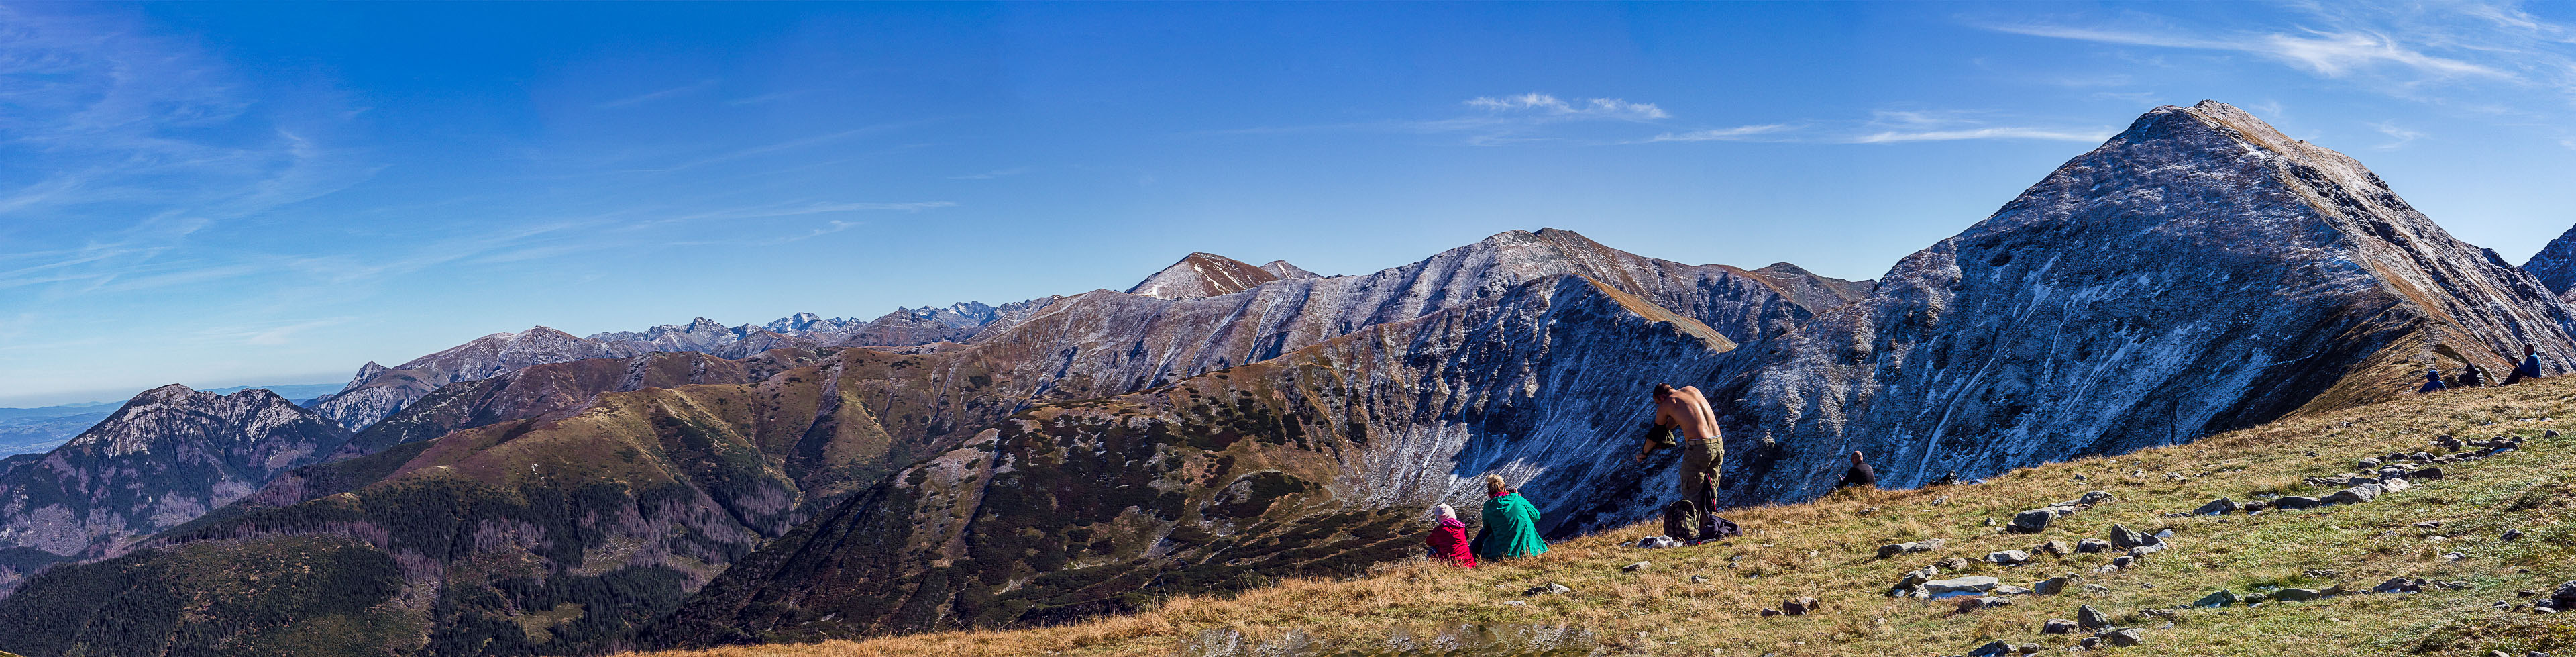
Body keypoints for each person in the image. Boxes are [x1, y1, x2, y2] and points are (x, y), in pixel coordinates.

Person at [1637, 383, 1724, 540]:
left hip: (1699, 447)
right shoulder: (1692, 390)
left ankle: (1692, 534)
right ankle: (1709, 527)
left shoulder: (1667, 404)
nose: (1659, 406)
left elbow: (1657, 432)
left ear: (1661, 397)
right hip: (1718, 443)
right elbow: (1675, 420)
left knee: (1691, 488)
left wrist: (1643, 453)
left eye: (1658, 402)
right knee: (1710, 487)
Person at [1472, 474, 1548, 561]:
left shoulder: (1488, 507)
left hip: (1501, 555)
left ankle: (1468, 560)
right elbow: (1536, 517)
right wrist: (1518, 496)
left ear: (1489, 494)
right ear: (1505, 489)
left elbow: (1487, 529)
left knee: (1482, 533)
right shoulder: (1517, 498)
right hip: (1529, 551)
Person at [1423, 504, 1476, 568]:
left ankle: (1428, 568)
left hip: (1450, 564)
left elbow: (1429, 542)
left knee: (1433, 549)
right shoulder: (1462, 528)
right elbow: (1467, 537)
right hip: (1467, 563)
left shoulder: (1439, 531)